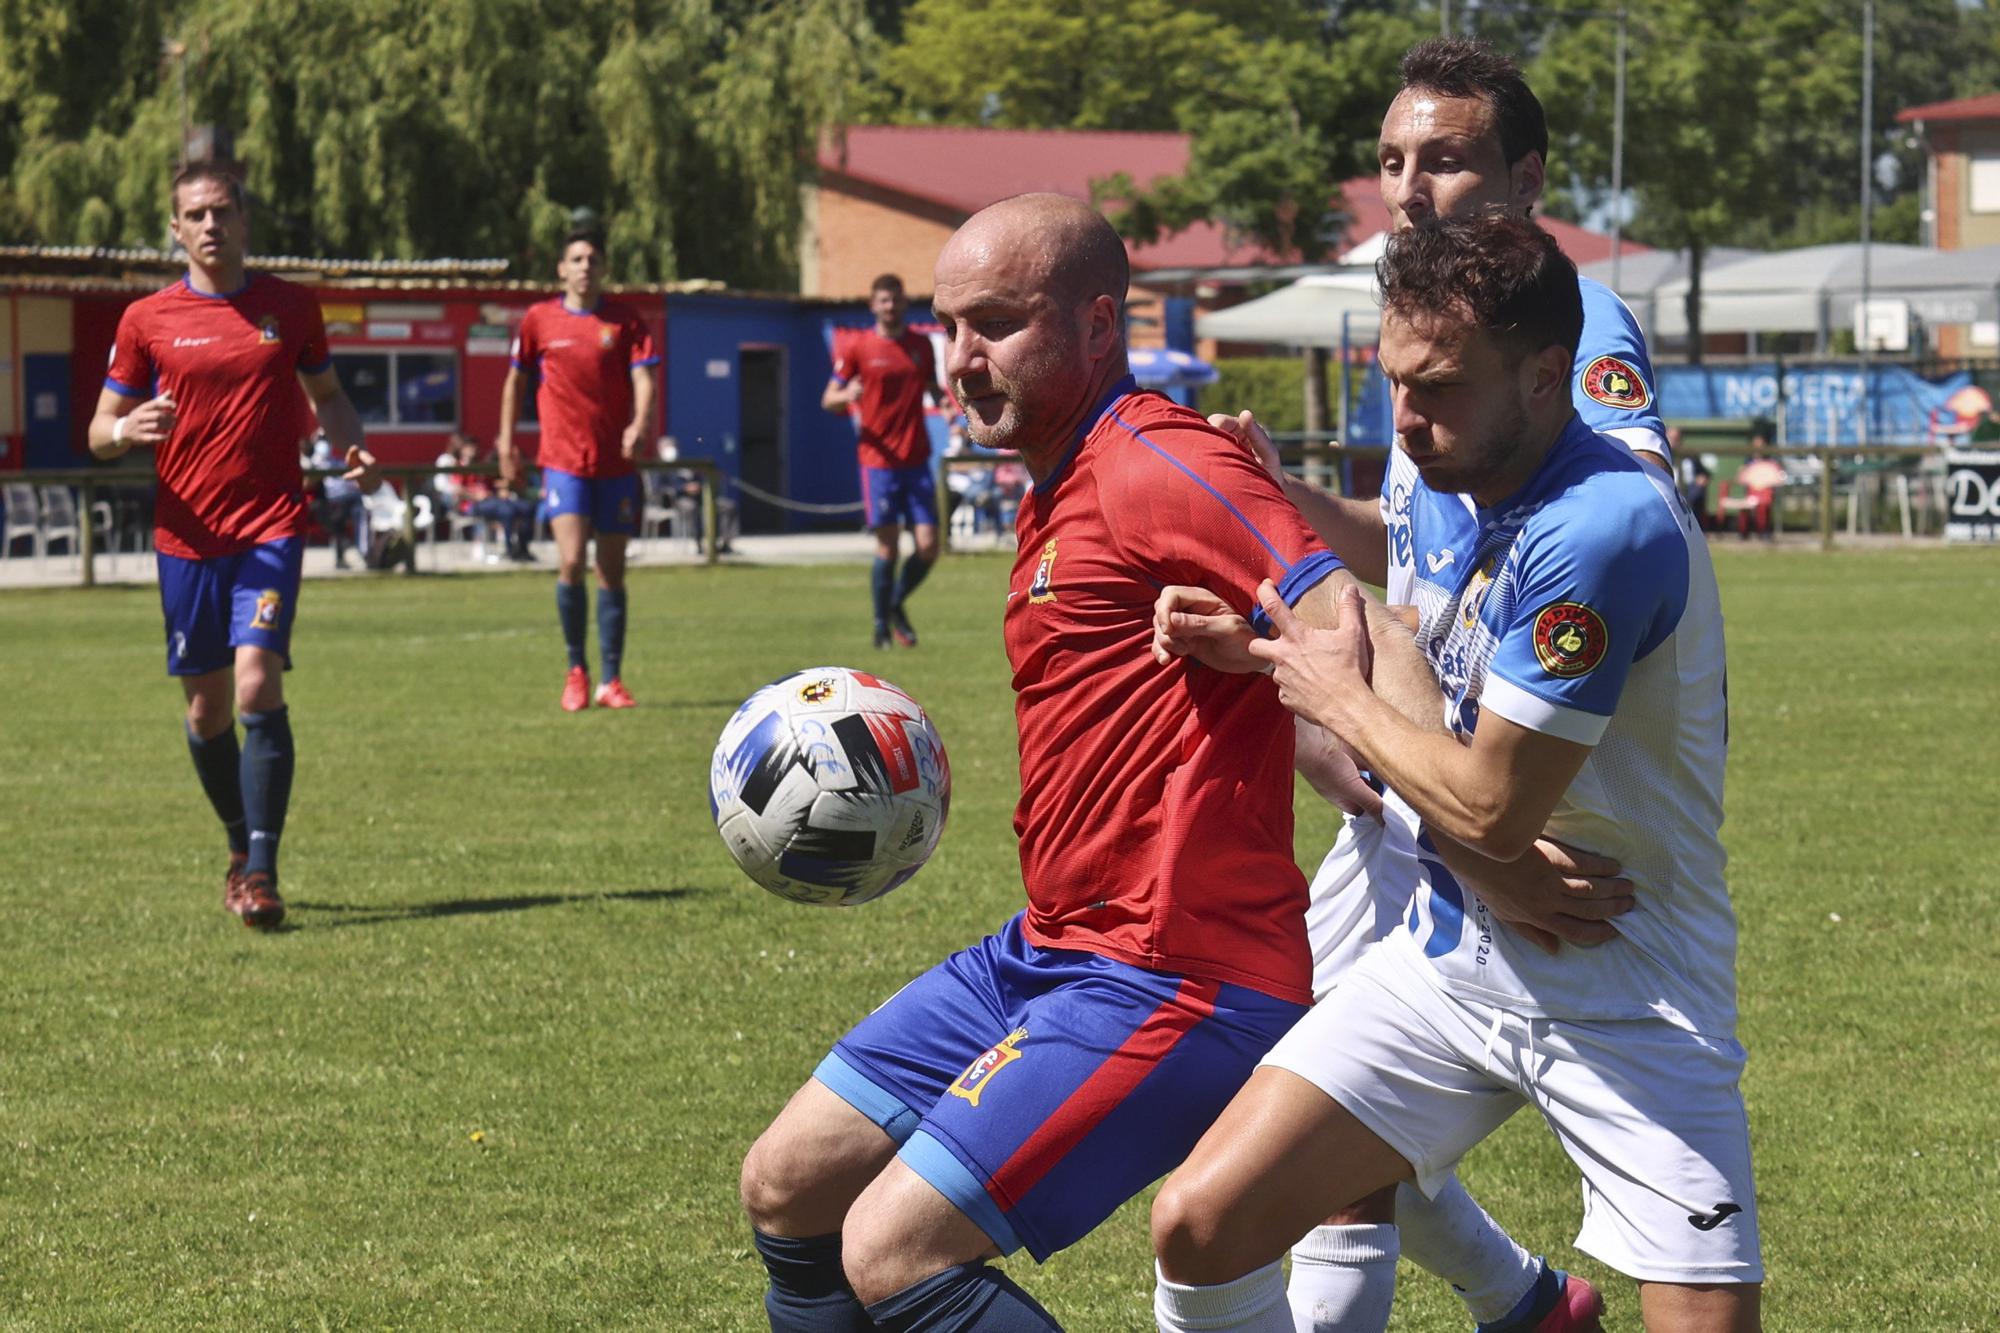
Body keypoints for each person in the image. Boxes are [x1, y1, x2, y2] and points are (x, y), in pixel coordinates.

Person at [739, 193, 1355, 1331]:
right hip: (1052, 944)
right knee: (788, 1183)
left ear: (1096, 325)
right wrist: (1317, 747)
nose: (961, 361)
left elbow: (1329, 607)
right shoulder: (1054, 481)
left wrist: (1460, 807)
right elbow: (1254, 677)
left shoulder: (1157, 456)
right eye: (948, 327)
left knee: (894, 1249)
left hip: (1178, 968)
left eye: (995, 325)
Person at [1148, 217, 1758, 1333]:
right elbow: (1413, 649)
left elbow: (1489, 800)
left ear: (1542, 376)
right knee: (1198, 1222)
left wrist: (1326, 698)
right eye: (1388, 382)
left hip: (1622, 976)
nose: (1404, 421)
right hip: (1447, 958)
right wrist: (1275, 646)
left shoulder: (1601, 525)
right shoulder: (1452, 474)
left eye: (1435, 388)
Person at [87, 163, 378, 930]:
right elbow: (98, 431)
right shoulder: (146, 320)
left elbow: (330, 397)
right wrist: (126, 429)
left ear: (245, 221)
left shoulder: (290, 307)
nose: (210, 225)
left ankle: (262, 869)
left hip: (272, 525)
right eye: (195, 214)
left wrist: (353, 447)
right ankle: (234, 843)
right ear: (176, 230)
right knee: (206, 709)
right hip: (186, 539)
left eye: (222, 211)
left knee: (256, 687)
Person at [497, 223, 659, 710]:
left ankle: (611, 679)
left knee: (610, 570)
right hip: (564, 462)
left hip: (616, 464)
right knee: (570, 562)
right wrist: (507, 441)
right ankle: (576, 671)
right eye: (577, 259)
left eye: (593, 259)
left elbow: (645, 379)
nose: (585, 266)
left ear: (604, 268)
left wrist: (639, 423)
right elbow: (514, 382)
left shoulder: (626, 321)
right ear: (561, 269)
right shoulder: (539, 320)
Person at [822, 273, 952, 649]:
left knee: (929, 545)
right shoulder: (859, 347)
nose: (890, 306)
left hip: (916, 457)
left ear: (902, 302)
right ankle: (881, 625)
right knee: (889, 548)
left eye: (895, 300)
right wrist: (847, 393)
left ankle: (893, 604)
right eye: (883, 300)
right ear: (872, 305)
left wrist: (944, 404)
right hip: (877, 461)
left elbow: (931, 386)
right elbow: (827, 399)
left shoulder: (920, 346)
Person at [309, 431, 365, 568]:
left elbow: (353, 482)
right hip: (323, 502)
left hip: (345, 499)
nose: (324, 443)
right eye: (322, 440)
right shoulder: (313, 462)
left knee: (356, 511)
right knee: (336, 520)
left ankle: (361, 551)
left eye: (326, 440)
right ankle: (349, 550)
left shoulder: (337, 462)